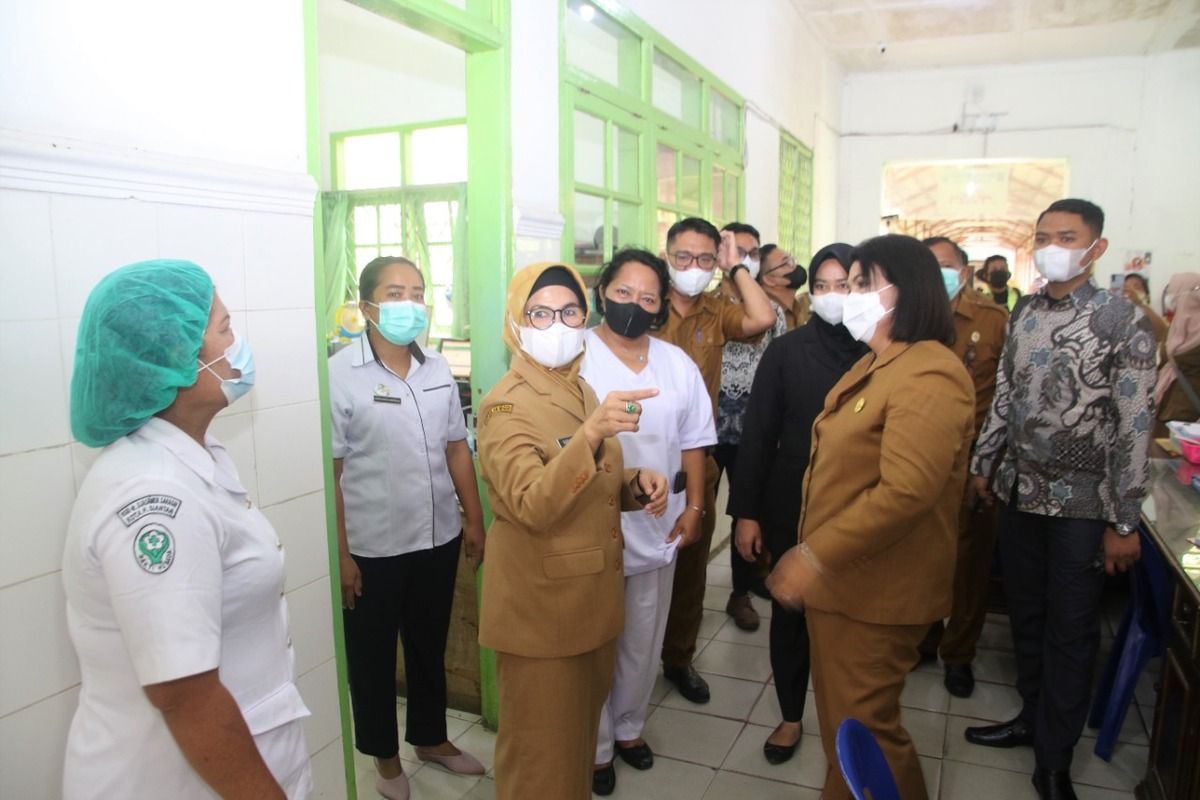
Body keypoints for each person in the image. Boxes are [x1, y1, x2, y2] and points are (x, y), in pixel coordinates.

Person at [61, 259, 311, 799]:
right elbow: (185, 693)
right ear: (173, 359)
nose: (238, 343)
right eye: (224, 329)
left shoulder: (195, 458)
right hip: (172, 781)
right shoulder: (155, 496)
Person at [767, 234, 975, 799]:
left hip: (878, 591)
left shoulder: (928, 371)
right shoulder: (881, 364)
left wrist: (812, 555)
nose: (847, 295)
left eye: (861, 283)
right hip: (847, 586)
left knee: (868, 735)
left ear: (904, 292)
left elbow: (906, 491)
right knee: (846, 735)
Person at [965, 199, 1156, 800]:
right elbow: (1005, 395)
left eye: (1066, 236)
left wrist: (1124, 521)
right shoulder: (1022, 313)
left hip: (1082, 507)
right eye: (1043, 236)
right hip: (1019, 493)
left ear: (1095, 248)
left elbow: (1134, 424)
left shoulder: (1125, 321)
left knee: (1071, 631)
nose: (1053, 246)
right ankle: (1030, 716)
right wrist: (983, 463)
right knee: (1026, 615)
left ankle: (1054, 758)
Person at [476, 262, 669, 800]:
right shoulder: (505, 406)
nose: (556, 324)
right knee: (539, 769)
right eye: (540, 312)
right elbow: (531, 502)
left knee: (573, 758)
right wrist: (591, 435)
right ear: (516, 322)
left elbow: (592, 481)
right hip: (542, 619)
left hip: (589, 607)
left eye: (569, 311)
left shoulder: (580, 389)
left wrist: (635, 485)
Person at [329, 256, 486, 800]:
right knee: (371, 656)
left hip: (437, 537)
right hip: (372, 547)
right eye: (395, 292)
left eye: (417, 292)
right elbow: (333, 472)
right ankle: (385, 757)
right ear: (367, 304)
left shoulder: (437, 367)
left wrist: (474, 520)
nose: (409, 303)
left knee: (428, 644)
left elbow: (455, 449)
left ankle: (431, 738)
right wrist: (342, 554)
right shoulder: (339, 375)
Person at [580, 249, 716, 795]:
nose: (633, 305)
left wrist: (698, 509)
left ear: (660, 308)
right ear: (602, 293)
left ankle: (630, 730)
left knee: (642, 636)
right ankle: (595, 748)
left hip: (658, 522)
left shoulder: (675, 362)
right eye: (622, 293)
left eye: (647, 298)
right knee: (596, 642)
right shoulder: (579, 356)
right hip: (591, 524)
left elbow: (696, 441)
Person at [729, 242, 865, 766]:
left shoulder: (881, 351)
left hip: (859, 511)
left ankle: (848, 719)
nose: (833, 297)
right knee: (790, 614)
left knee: (849, 623)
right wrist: (746, 511)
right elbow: (758, 435)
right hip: (791, 506)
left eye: (846, 286)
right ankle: (789, 715)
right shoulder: (787, 352)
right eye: (823, 287)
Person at [652, 217, 775, 704]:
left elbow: (762, 319)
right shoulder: (646, 309)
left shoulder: (718, 310)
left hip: (694, 463)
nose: (693, 268)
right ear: (667, 257)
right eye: (683, 257)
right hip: (636, 458)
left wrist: (736, 268)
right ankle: (626, 664)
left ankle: (678, 658)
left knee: (689, 567)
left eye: (705, 259)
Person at [918, 236, 1008, 697]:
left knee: (969, 565)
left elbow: (1008, 399)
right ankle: (925, 638)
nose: (939, 274)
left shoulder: (993, 321)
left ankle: (958, 653)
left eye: (947, 266)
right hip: (918, 460)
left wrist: (988, 466)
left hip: (974, 462)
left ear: (965, 271)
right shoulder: (909, 319)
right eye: (928, 265)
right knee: (923, 557)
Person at [713, 227, 807, 632]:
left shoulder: (771, 306)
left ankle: (741, 591)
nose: (745, 259)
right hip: (712, 427)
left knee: (747, 510)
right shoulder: (712, 302)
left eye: (752, 252)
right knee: (696, 514)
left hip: (756, 427)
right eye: (739, 253)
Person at [1154, 272, 1200, 436]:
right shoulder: (1175, 326)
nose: (1169, 296)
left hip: (1188, 414)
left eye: (1173, 290)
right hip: (1166, 405)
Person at [1122, 272, 1169, 350]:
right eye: (1126, 288)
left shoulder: (1148, 315)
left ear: (1146, 295)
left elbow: (1162, 334)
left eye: (1136, 288)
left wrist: (1141, 303)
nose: (1131, 293)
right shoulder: (1119, 315)